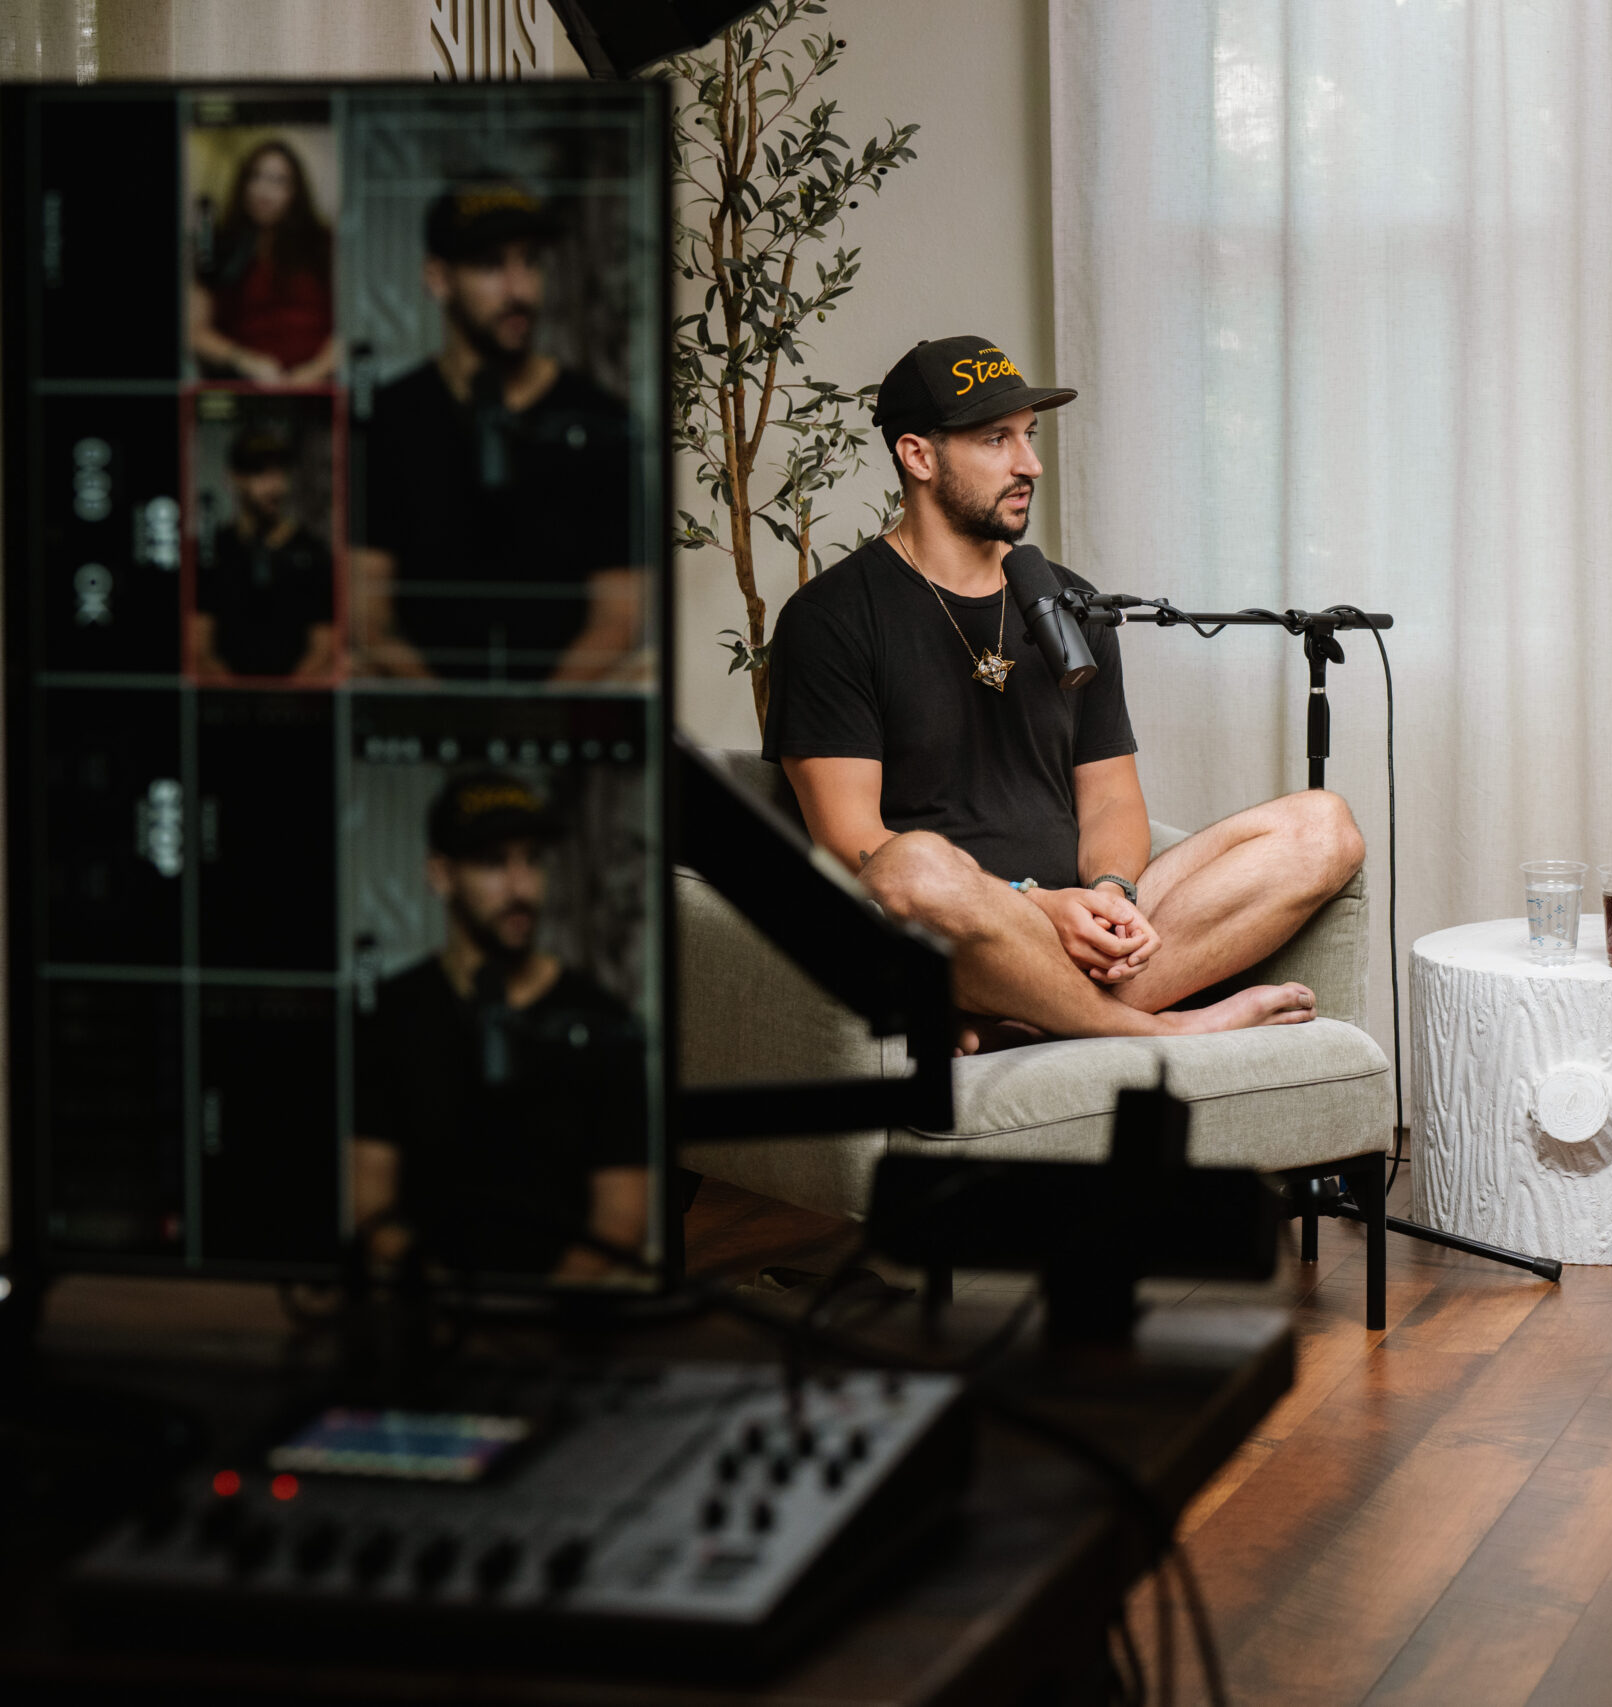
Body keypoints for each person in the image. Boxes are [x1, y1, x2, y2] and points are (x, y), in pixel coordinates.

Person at [763, 334, 1366, 1047]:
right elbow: (851, 843)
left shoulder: (1066, 603)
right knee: (913, 865)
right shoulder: (831, 618)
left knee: (1322, 826)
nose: (1030, 464)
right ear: (918, 456)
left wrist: (1111, 895)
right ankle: (1158, 1030)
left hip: (1081, 930)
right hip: (962, 923)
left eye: (1029, 436)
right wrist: (1038, 907)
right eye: (996, 440)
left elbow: (1110, 798)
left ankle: (1025, 1019)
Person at [350, 770, 649, 1282]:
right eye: (493, 863)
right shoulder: (389, 1013)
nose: (522, 888)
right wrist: (444, 1303)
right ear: (441, 875)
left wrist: (538, 1311)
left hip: (559, 1316)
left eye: (532, 860)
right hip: (429, 1311)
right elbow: (369, 1203)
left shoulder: (600, 1018)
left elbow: (621, 1216)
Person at [352, 178, 641, 684]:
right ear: (438, 278)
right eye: (491, 265)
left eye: (530, 261)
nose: (520, 290)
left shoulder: (599, 418)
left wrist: (531, 721)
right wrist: (456, 721)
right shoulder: (390, 417)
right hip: (425, 727)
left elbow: (618, 618)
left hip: (557, 733)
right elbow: (367, 617)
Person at [190, 424, 336, 681]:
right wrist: (237, 695)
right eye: (259, 472)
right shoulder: (213, 550)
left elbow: (324, 646)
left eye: (280, 472)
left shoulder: (312, 552)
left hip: (296, 698)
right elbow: (199, 645)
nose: (274, 485)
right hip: (226, 699)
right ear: (233, 477)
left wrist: (284, 695)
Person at [189, 139, 337, 385]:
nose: (263, 190)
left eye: (279, 181)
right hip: (247, 384)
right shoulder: (220, 246)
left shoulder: (323, 243)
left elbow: (351, 327)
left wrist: (315, 371)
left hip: (318, 384)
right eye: (255, 177)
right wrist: (244, 360)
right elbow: (195, 330)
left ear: (295, 191)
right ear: (243, 185)